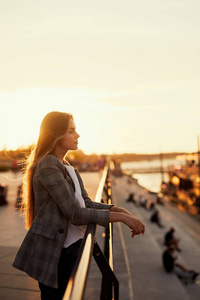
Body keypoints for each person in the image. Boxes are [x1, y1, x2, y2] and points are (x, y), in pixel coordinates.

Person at [12, 111, 145, 300]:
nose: (78, 135)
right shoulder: (48, 164)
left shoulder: (66, 166)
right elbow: (75, 213)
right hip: (58, 253)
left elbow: (86, 203)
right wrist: (122, 218)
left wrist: (116, 209)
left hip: (72, 247)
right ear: (56, 135)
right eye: (71, 131)